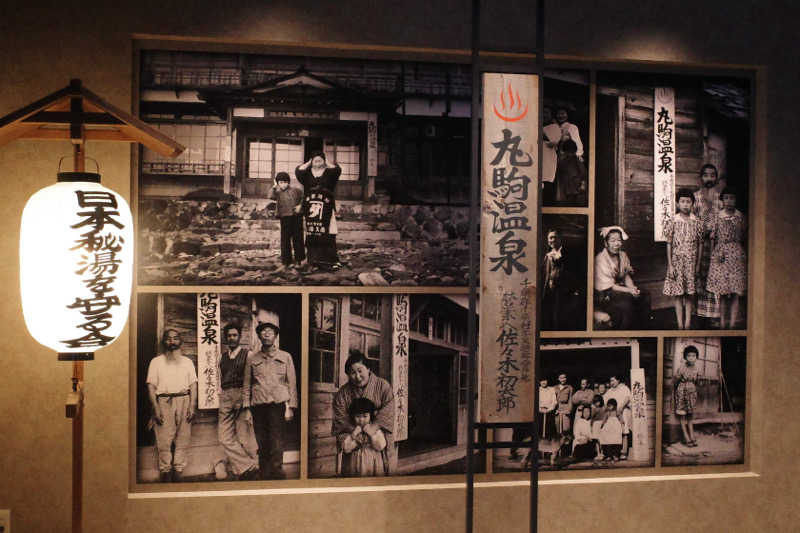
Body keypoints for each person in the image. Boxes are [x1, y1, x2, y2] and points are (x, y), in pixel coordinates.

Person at [242, 322, 298, 479]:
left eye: (270, 332)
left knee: (277, 440)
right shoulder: (252, 358)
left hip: (277, 405)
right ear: (259, 336)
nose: (266, 334)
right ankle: (264, 471)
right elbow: (247, 384)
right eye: (263, 332)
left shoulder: (285, 357)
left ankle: (277, 472)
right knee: (261, 440)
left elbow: (291, 383)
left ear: (275, 336)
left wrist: (291, 406)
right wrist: (246, 408)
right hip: (258, 405)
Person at [146, 328, 197, 482]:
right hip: (164, 401)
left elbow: (193, 385)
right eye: (169, 339)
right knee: (164, 439)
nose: (172, 342)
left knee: (183, 438)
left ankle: (178, 470)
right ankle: (165, 471)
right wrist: (156, 408)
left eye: (175, 338)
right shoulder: (156, 362)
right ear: (164, 342)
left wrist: (192, 406)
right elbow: (151, 386)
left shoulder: (187, 362)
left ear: (180, 341)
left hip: (184, 400)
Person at [332, 351, 396, 474]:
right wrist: (356, 432)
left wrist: (373, 428)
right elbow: (340, 418)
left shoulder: (383, 386)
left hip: (377, 441)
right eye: (352, 373)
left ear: (368, 369)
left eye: (360, 371)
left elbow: (389, 410)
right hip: (353, 439)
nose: (357, 376)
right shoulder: (343, 393)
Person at [217, 324, 259, 480]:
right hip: (226, 396)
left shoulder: (248, 355)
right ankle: (248, 465)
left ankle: (244, 469)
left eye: (235, 335)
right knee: (223, 437)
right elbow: (219, 378)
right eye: (229, 335)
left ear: (240, 337)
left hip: (242, 395)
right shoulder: (222, 356)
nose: (232, 338)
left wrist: (248, 400)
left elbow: (253, 379)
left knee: (244, 436)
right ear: (225, 338)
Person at [594, 225, 651, 329]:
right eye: (612, 241)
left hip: (622, 288)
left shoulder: (623, 255)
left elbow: (626, 275)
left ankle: (643, 329)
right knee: (627, 302)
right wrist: (629, 291)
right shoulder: (600, 259)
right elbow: (610, 286)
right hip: (606, 293)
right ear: (606, 243)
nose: (616, 244)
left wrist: (633, 288)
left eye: (619, 240)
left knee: (645, 295)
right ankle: (625, 331)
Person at [663, 188, 704, 329]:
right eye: (682, 201)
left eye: (688, 202)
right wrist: (670, 265)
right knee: (678, 294)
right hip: (677, 262)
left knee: (689, 294)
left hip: (691, 263)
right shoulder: (673, 221)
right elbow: (669, 244)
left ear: (692, 203)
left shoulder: (697, 222)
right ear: (678, 203)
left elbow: (700, 244)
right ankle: (680, 325)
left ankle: (687, 324)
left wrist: (697, 265)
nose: (685, 204)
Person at [706, 186, 747, 329]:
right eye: (726, 198)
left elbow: (743, 236)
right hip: (720, 254)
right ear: (722, 200)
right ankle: (723, 323)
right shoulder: (717, 216)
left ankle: (732, 324)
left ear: (736, 200)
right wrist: (714, 255)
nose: (729, 201)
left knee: (735, 292)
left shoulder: (740, 216)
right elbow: (712, 238)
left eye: (732, 198)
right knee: (722, 293)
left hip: (736, 255)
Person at [295, 152, 342, 270]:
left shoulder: (329, 173)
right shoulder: (306, 174)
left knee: (328, 231)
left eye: (320, 160)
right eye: (315, 160)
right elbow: (298, 171)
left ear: (324, 161)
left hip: (326, 207)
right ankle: (313, 259)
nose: (317, 162)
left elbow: (337, 170)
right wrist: (308, 163)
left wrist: (326, 161)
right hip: (310, 206)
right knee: (312, 230)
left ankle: (331, 260)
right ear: (311, 161)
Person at [693, 164, 725, 326]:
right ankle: (699, 314)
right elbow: (692, 221)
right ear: (701, 178)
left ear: (716, 178)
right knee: (700, 276)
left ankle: (714, 315)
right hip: (700, 245)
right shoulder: (695, 198)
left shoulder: (721, 200)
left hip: (716, 244)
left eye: (712, 175)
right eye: (706, 175)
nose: (709, 179)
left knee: (715, 277)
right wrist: (702, 231)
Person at [340, 397, 388, 477]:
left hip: (373, 461)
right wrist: (354, 434)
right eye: (358, 416)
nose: (361, 420)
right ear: (353, 416)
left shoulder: (374, 430)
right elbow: (346, 448)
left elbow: (381, 446)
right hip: (355, 462)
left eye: (365, 416)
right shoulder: (352, 430)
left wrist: (371, 434)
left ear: (370, 416)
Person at [269, 171, 305, 270]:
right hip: (284, 217)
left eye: (285, 182)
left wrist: (300, 206)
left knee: (298, 238)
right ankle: (286, 261)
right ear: (278, 183)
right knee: (285, 240)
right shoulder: (277, 192)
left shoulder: (296, 190)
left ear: (288, 182)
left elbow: (304, 198)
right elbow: (270, 196)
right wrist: (274, 186)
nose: (283, 184)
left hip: (296, 217)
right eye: (280, 182)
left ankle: (299, 260)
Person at [541, 229, 574, 330]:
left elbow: (572, 273)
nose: (552, 240)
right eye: (550, 238)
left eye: (555, 237)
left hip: (564, 292)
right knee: (549, 315)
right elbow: (544, 274)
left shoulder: (568, 254)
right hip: (549, 291)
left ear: (560, 239)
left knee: (561, 317)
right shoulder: (547, 256)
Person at [673, 345, 701, 447]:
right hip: (681, 392)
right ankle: (686, 438)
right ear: (685, 357)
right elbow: (675, 381)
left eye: (693, 356)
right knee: (682, 415)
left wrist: (693, 387)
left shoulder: (697, 368)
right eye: (689, 355)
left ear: (696, 357)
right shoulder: (681, 367)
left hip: (692, 393)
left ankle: (692, 437)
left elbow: (698, 381)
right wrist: (679, 390)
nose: (691, 358)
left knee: (690, 415)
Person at [604, 375, 632, 460]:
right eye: (610, 381)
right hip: (612, 414)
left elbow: (627, 398)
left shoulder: (624, 388)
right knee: (613, 432)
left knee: (624, 432)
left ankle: (623, 452)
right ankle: (613, 453)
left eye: (613, 380)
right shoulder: (609, 391)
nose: (611, 382)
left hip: (623, 412)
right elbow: (606, 401)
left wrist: (621, 408)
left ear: (618, 380)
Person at [554, 138, 587, 205]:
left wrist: (582, 185)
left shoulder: (575, 161)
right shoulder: (563, 162)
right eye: (568, 152)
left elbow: (583, 174)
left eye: (570, 152)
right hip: (569, 190)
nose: (569, 154)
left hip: (575, 190)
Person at [599, 398, 623, 462]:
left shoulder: (617, 412)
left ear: (614, 405)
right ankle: (608, 455)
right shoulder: (607, 413)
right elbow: (604, 419)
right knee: (607, 440)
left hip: (616, 428)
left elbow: (621, 418)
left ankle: (615, 455)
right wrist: (602, 425)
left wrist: (622, 423)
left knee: (616, 441)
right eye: (608, 406)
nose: (609, 407)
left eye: (611, 405)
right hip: (609, 428)